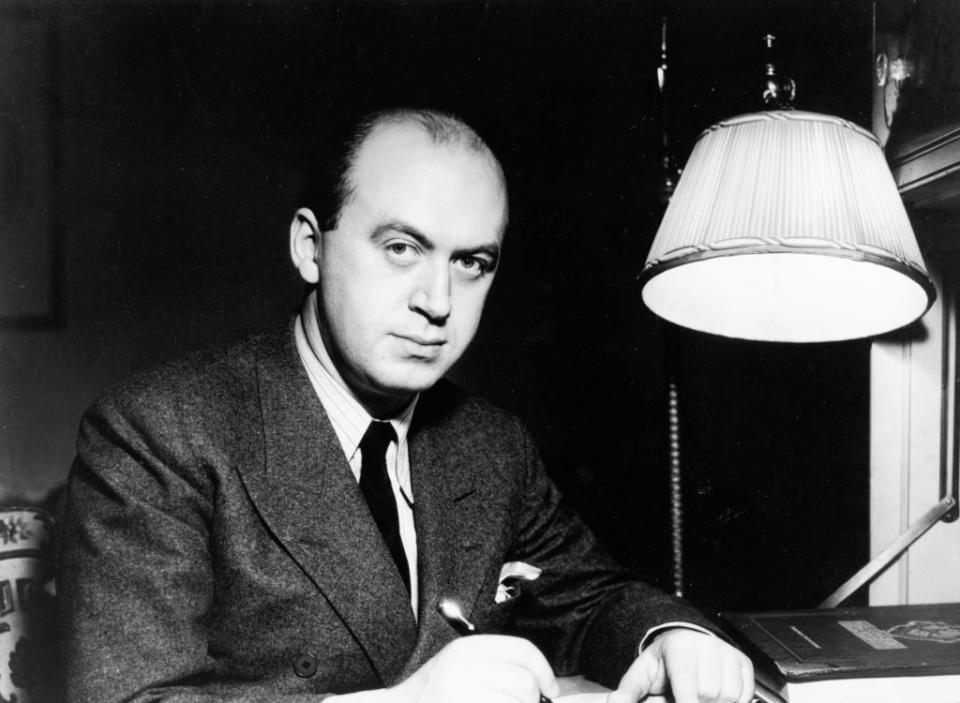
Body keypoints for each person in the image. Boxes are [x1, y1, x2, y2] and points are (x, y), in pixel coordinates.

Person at [58, 107, 754, 703]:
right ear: (310, 247)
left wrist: (670, 635)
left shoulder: (491, 443)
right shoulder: (159, 430)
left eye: (471, 262)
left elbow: (591, 599)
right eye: (401, 248)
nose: (437, 302)